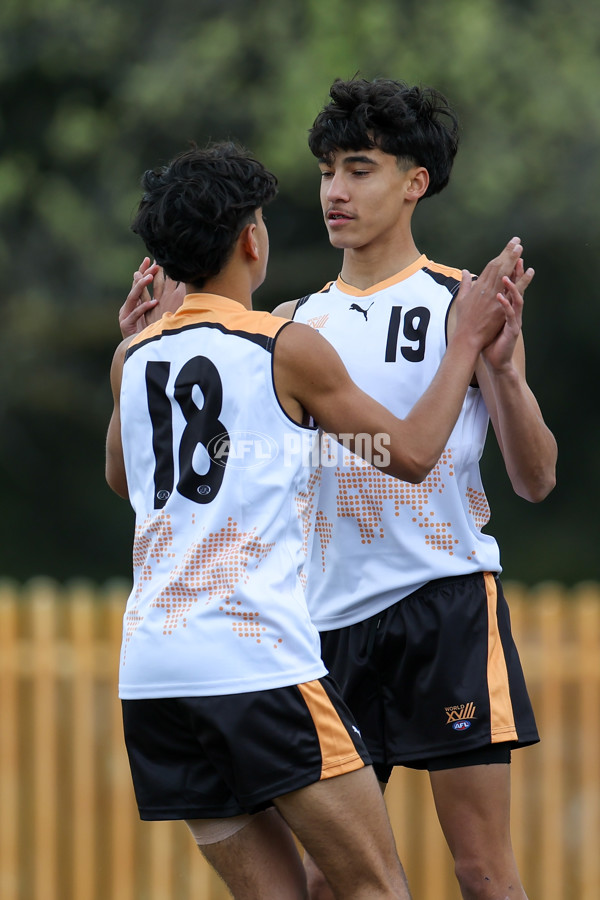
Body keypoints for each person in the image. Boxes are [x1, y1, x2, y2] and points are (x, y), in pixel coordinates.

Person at [106, 139, 525, 900]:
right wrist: (464, 339)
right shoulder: (286, 343)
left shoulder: (132, 356)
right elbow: (410, 453)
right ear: (251, 240)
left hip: (152, 674)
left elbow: (123, 478)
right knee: (375, 887)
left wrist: (139, 342)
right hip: (253, 661)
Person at [269, 78, 557, 900]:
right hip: (327, 621)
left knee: (483, 871)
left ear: (414, 183)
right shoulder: (292, 322)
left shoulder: (464, 303)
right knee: (328, 880)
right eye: (327, 171)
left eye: (359, 169)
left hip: (446, 607)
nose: (335, 190)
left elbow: (536, 478)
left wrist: (503, 372)